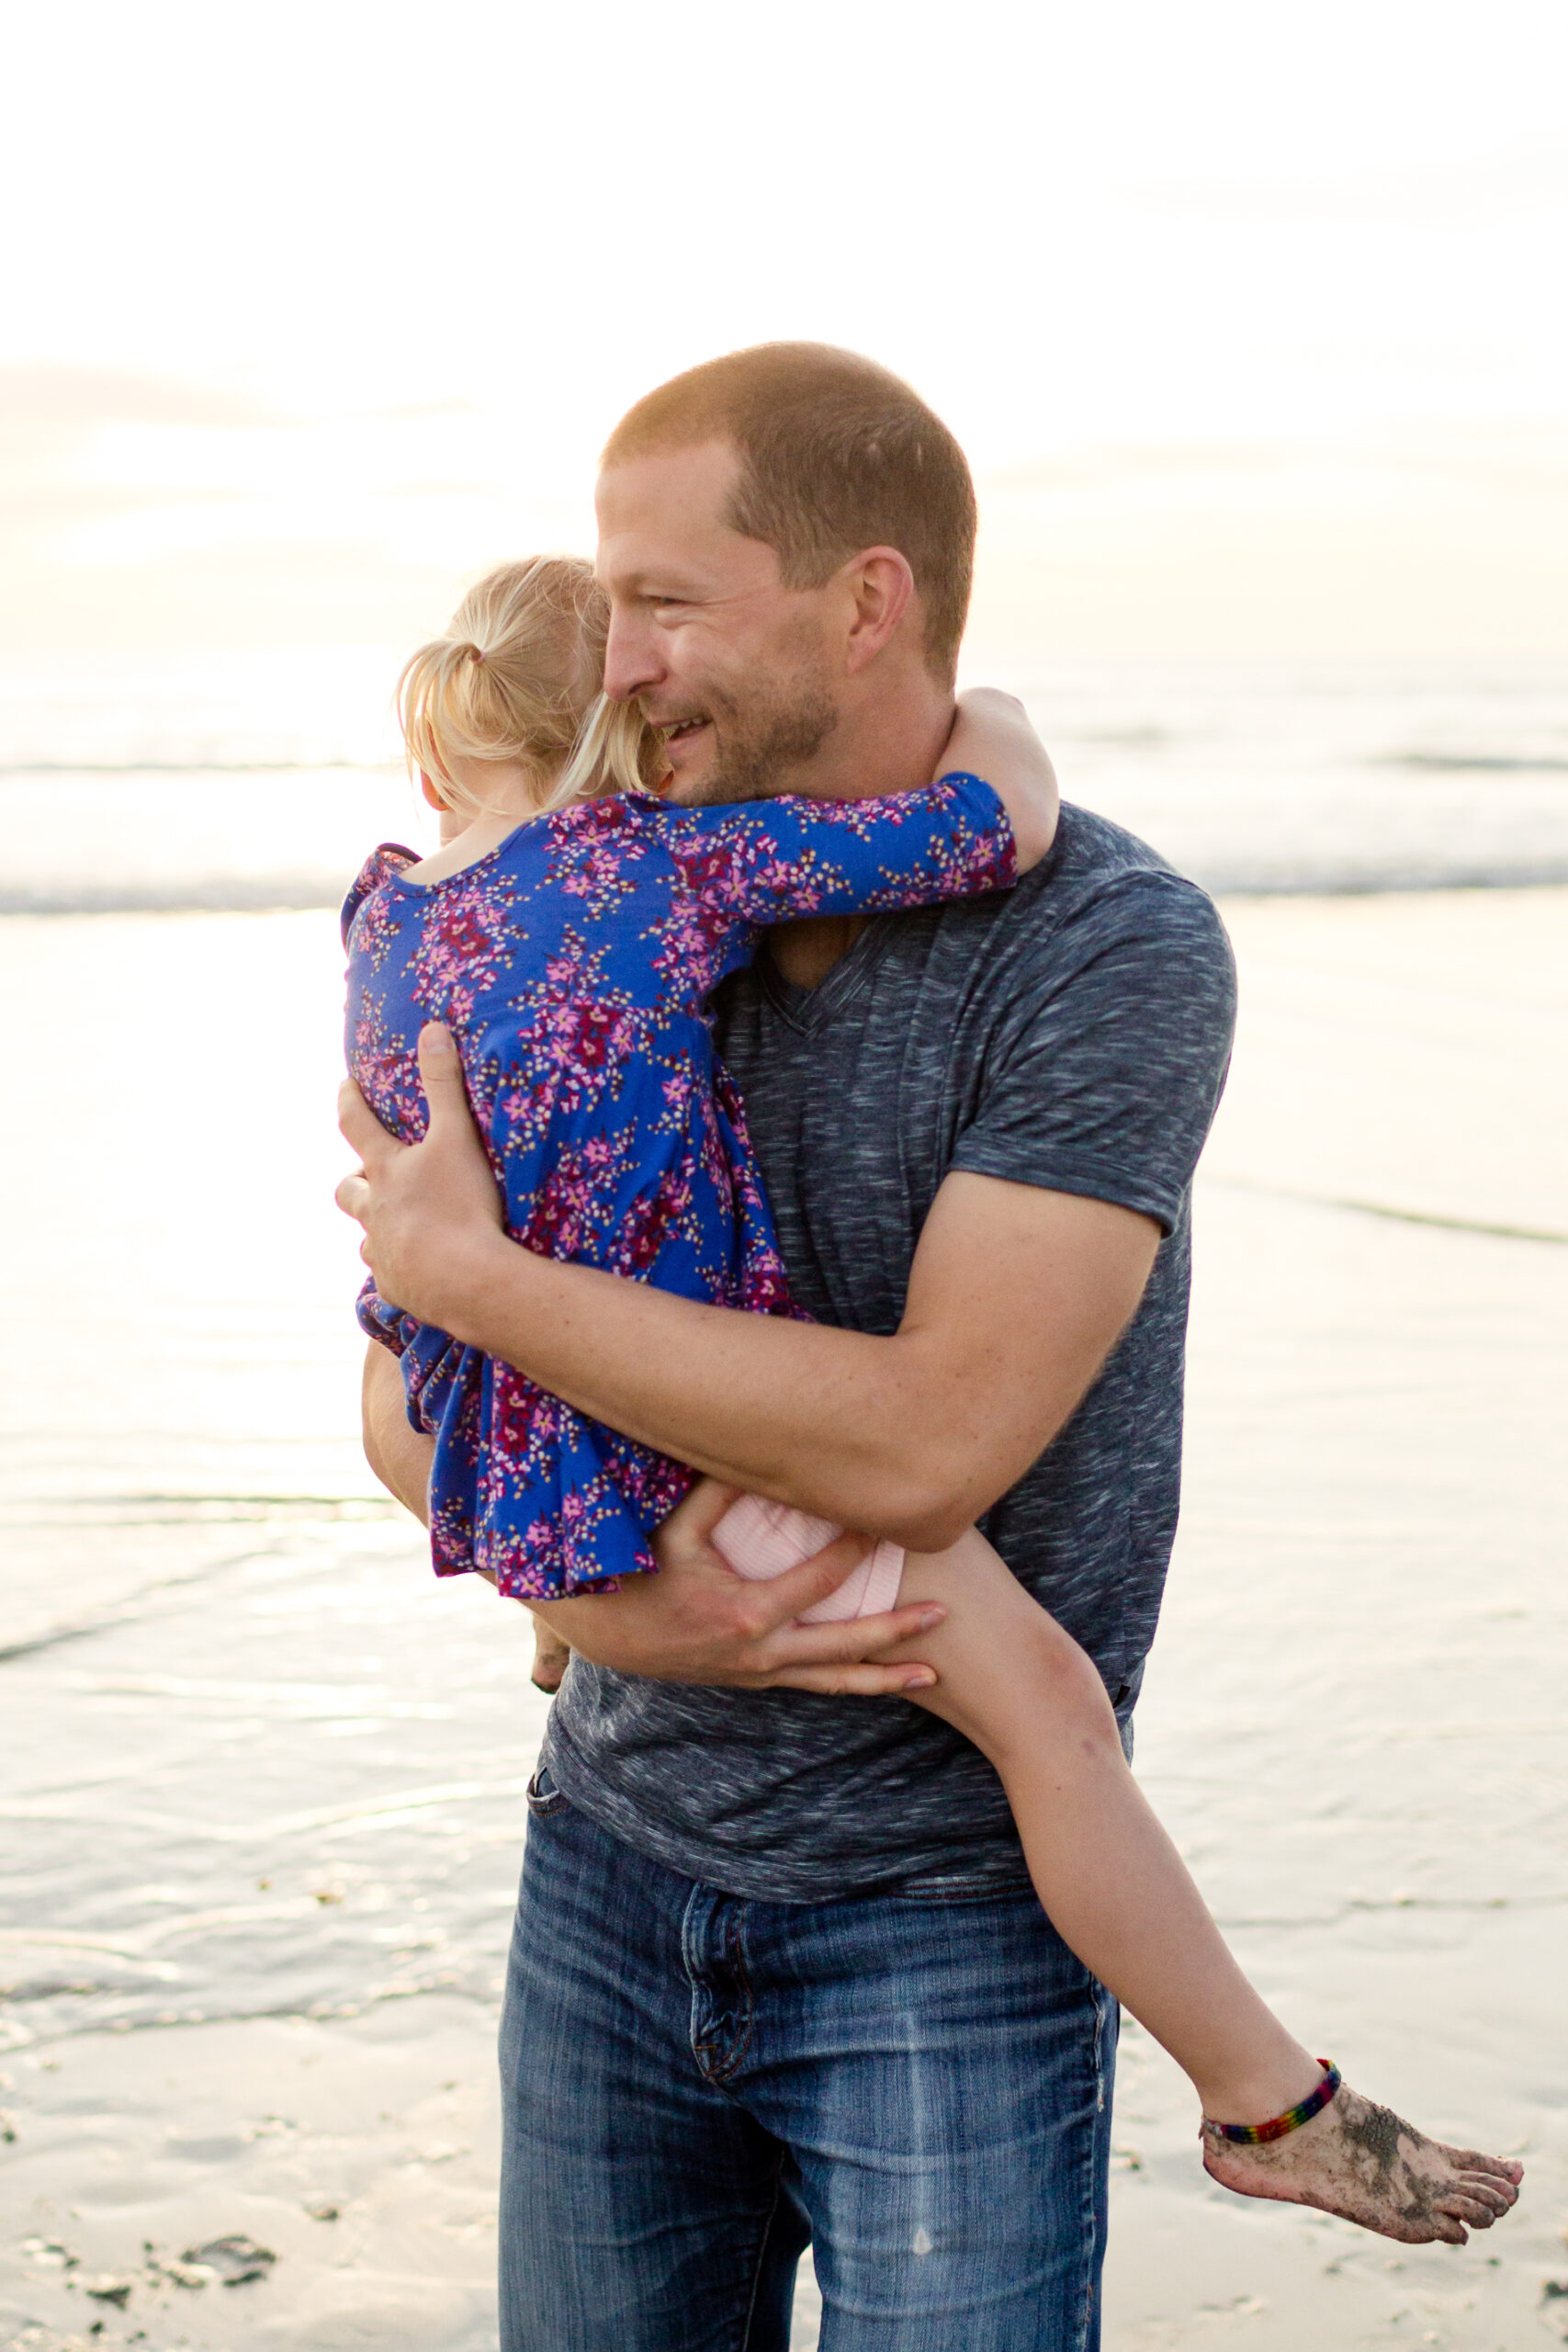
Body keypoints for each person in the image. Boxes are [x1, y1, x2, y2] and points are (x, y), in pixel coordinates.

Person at [338, 345, 1519, 2352]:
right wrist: (633, 1620)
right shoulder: (642, 888)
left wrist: (479, 1301)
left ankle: (1256, 2094)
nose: (621, 661)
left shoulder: (1099, 946)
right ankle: (1266, 2089)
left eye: (667, 601)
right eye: (604, 611)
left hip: (943, 1926)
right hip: (605, 1870)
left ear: (861, 599)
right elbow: (390, 1409)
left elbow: (920, 1453)